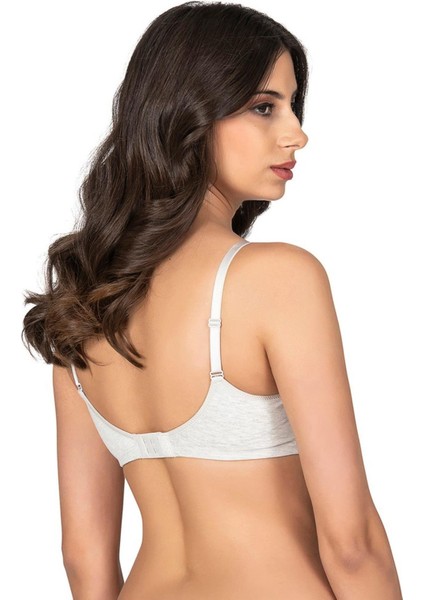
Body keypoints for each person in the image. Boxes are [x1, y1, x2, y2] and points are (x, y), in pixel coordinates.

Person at [21, 2, 403, 598]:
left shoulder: (83, 308)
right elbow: (352, 545)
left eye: (293, 105)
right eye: (263, 107)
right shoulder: (277, 279)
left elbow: (83, 559)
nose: (297, 133)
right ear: (188, 113)